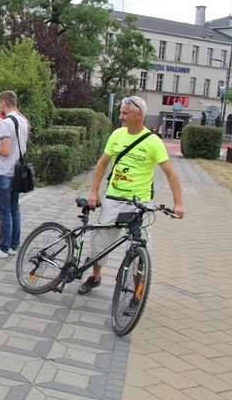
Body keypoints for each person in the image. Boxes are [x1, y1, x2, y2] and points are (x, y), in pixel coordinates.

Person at [78, 95, 184, 313]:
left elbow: (171, 174)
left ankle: (137, 293)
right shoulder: (117, 135)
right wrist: (94, 192)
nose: (121, 117)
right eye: (121, 112)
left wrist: (178, 204)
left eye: (125, 113)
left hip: (139, 204)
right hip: (113, 199)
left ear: (139, 115)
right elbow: (101, 164)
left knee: (139, 251)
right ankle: (95, 277)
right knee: (99, 245)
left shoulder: (153, 141)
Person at [0, 90, 29, 258]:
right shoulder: (23, 121)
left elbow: (5, 151)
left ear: (2, 103)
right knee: (14, 209)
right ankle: (13, 245)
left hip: (4, 172)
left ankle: (3, 247)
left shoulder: (5, 123)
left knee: (4, 212)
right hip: (16, 172)